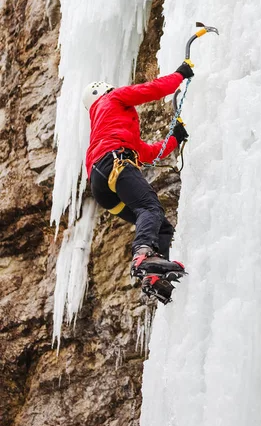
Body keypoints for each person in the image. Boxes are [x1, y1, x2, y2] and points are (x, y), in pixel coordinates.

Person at [82, 61, 194, 302]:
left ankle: (153, 277)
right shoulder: (112, 99)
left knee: (161, 225)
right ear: (106, 90)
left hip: (102, 187)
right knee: (150, 207)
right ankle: (143, 255)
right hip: (115, 162)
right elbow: (148, 90)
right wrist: (179, 75)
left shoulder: (104, 125)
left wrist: (174, 139)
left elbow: (145, 152)